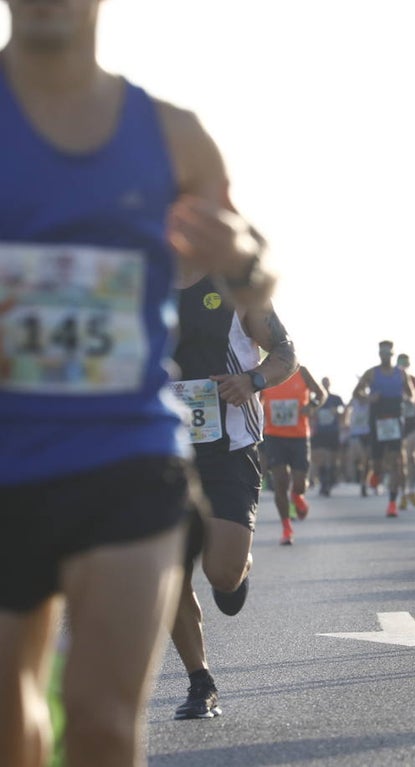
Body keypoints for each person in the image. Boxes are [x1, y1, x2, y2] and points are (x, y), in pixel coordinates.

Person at [0, 0, 276, 764]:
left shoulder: (171, 135)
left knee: (101, 716)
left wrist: (246, 260)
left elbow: (256, 264)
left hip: (125, 459)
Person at [168, 267, 297, 719]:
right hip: (161, 450)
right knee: (170, 574)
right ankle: (200, 682)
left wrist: (253, 380)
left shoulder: (234, 285)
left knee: (222, 575)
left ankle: (237, 567)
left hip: (229, 447)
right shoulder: (140, 279)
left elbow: (285, 352)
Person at [261, 365, 326, 544]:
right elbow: (257, 400)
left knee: (299, 484)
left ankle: (297, 496)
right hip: (274, 436)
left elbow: (321, 394)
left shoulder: (301, 371)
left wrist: (311, 406)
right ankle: (287, 528)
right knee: (280, 481)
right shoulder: (264, 372)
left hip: (299, 436)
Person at [354, 340, 415, 517]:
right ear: (379, 354)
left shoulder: (401, 374)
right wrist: (368, 398)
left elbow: (411, 394)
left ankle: (392, 503)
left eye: (388, 353)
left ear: (392, 354)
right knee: (378, 464)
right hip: (377, 421)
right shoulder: (371, 374)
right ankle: (376, 474)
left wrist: (407, 399)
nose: (385, 356)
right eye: (382, 353)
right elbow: (356, 393)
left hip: (395, 420)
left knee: (397, 462)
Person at [310, 376, 345, 497]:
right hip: (320, 432)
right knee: (321, 458)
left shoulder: (336, 399)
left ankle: (331, 479)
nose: (325, 385)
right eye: (323, 383)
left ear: (329, 384)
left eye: (326, 383)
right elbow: (311, 411)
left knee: (333, 459)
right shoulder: (317, 399)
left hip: (333, 431)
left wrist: (338, 413)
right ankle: (324, 483)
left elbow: (344, 410)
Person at [396, 353, 415, 509]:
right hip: (396, 424)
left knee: (412, 458)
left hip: (412, 422)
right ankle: (402, 494)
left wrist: (413, 402)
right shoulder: (392, 380)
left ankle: (411, 490)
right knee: (400, 461)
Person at [344, 386, 374, 496]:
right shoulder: (353, 401)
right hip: (356, 433)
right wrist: (346, 422)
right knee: (361, 458)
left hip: (367, 433)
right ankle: (360, 479)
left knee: (368, 461)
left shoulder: (370, 400)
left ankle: (364, 483)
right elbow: (346, 409)